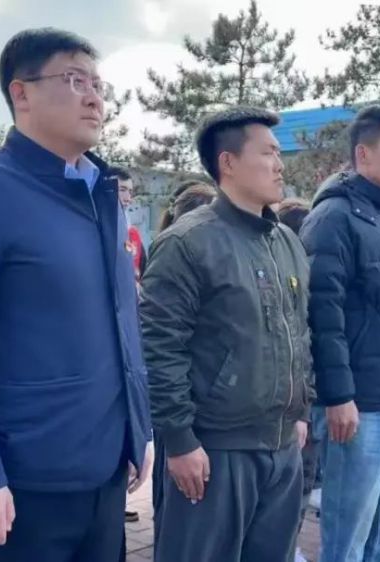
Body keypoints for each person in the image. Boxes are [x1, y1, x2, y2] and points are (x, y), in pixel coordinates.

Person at [0, 28, 152, 562]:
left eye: (97, 84)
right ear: (20, 93)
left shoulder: (102, 195)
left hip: (104, 468)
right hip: (21, 480)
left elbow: (123, 325)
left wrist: (137, 429)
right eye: (74, 80)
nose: (94, 98)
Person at [140, 107, 313, 562]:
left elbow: (299, 330)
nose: (279, 165)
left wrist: (300, 411)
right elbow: (159, 347)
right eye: (267, 153)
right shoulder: (188, 243)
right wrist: (179, 439)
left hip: (281, 447)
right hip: (215, 449)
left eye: (279, 154)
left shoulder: (287, 242)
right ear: (228, 163)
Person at [302, 105, 380, 562]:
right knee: (349, 531)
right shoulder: (334, 217)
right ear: (363, 154)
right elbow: (322, 313)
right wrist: (337, 395)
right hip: (359, 403)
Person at [148, 181, 216, 530]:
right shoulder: (174, 251)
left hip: (197, 402)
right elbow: (160, 341)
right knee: (176, 496)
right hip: (181, 402)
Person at [277, 196, 316, 562]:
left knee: (304, 476)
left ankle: (291, 543)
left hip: (307, 395)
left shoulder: (308, 272)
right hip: (283, 402)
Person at [112, 165, 148, 283]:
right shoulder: (92, 230)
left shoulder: (133, 235)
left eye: (130, 192)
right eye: (122, 190)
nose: (128, 198)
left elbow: (143, 275)